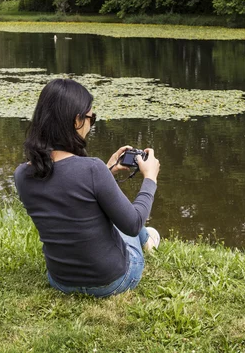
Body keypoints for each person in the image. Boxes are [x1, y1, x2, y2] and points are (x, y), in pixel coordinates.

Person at [14, 78, 161, 298]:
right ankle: (147, 240)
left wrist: (107, 171)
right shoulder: (92, 169)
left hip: (61, 281)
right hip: (114, 281)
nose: (91, 124)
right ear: (76, 121)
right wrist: (150, 177)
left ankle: (146, 239)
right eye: (92, 118)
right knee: (126, 220)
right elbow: (132, 224)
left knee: (105, 206)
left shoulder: (21, 174)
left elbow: (67, 188)